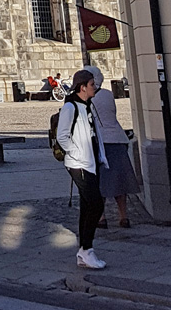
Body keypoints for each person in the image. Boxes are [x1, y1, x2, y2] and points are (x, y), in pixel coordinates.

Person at [56, 69, 109, 270]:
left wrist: (100, 156)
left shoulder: (87, 105)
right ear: (82, 87)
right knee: (96, 205)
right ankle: (86, 249)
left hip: (91, 162)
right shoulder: (70, 107)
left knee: (88, 206)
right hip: (79, 164)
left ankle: (84, 251)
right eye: (92, 85)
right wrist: (75, 153)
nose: (95, 87)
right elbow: (62, 136)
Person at [85, 65, 138, 228]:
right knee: (119, 181)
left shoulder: (87, 98)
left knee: (99, 182)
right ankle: (123, 217)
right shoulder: (108, 94)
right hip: (118, 138)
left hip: (100, 143)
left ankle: (101, 218)